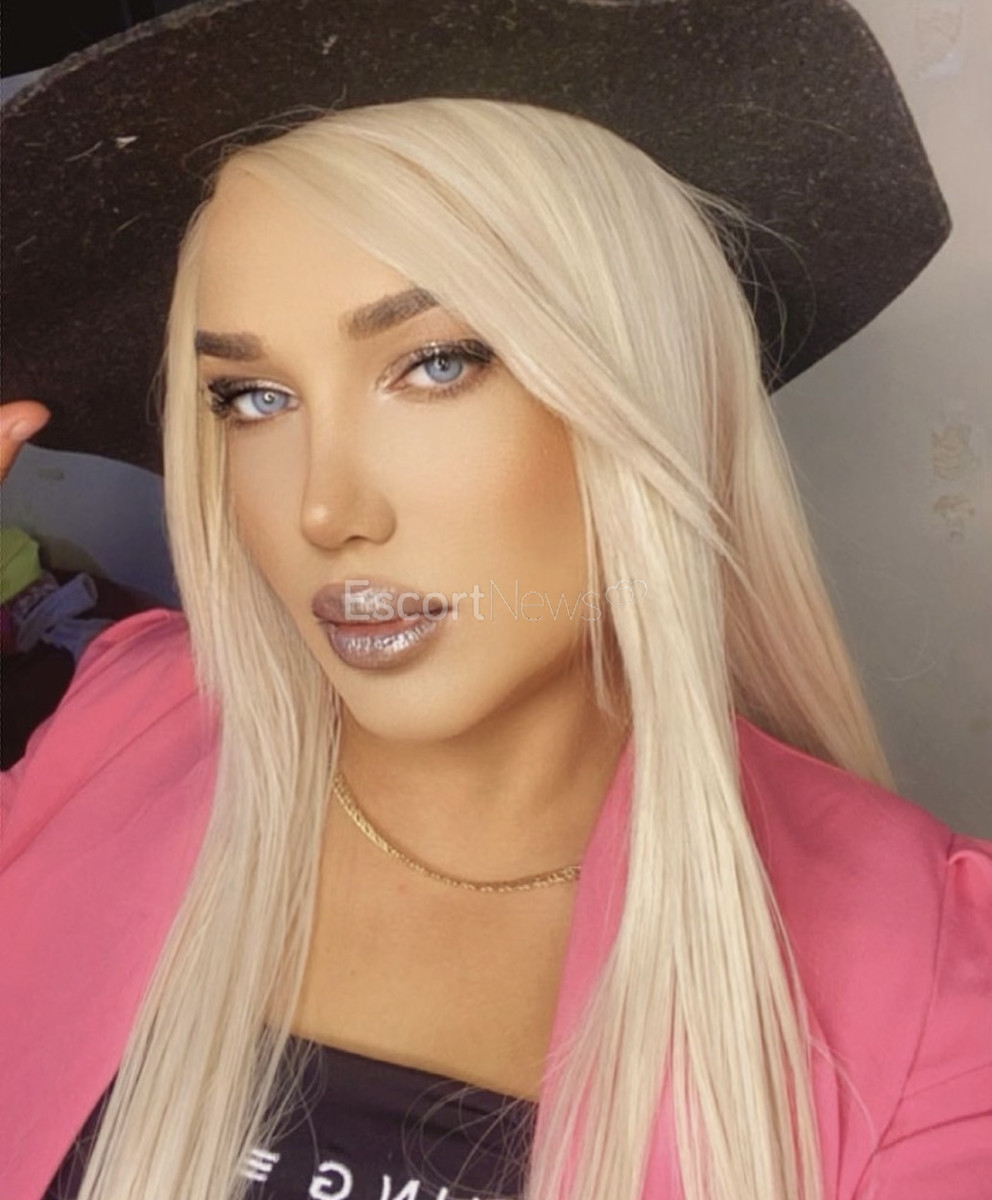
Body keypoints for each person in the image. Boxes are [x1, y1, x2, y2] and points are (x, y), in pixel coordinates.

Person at [1, 14, 990, 1200]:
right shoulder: (125, 716)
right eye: (253, 398)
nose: (326, 510)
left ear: (643, 391)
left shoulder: (933, 996)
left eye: (435, 365)